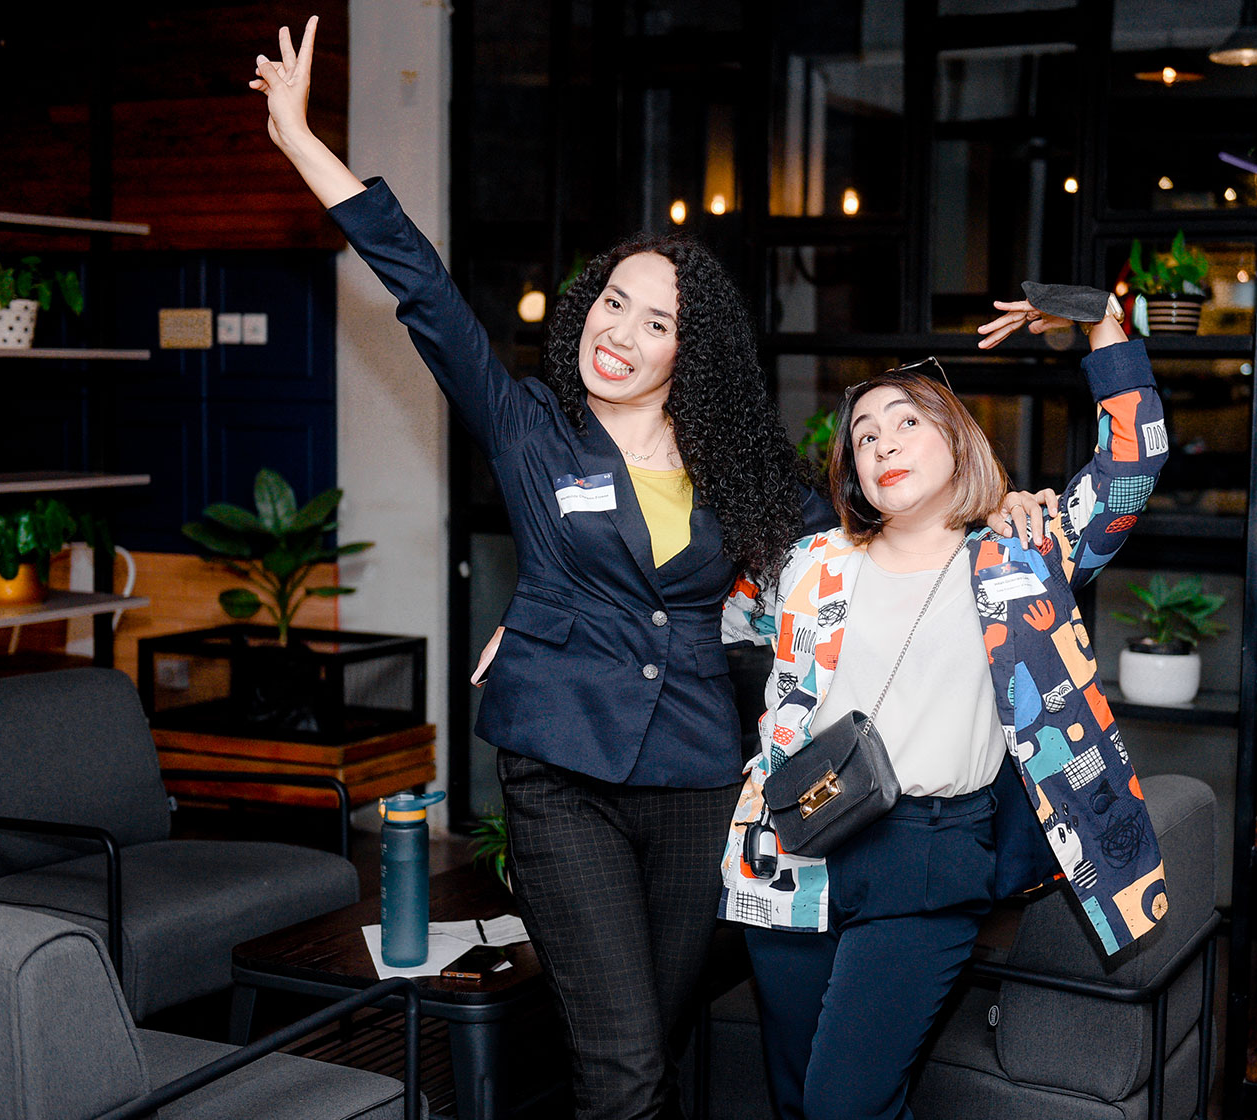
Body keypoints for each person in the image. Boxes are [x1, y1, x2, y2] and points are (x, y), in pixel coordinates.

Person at [248, 19, 1045, 1119]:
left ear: (690, 352)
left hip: (695, 783)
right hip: (561, 775)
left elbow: (884, 520)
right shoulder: (532, 430)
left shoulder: (743, 474)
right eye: (611, 300)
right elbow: (424, 291)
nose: (620, 329)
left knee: (649, 1045)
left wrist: (1006, 503)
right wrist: (300, 138)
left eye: (655, 318)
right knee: (623, 1070)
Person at [717, 290, 1173, 1120]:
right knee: (793, 1097)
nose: (883, 443)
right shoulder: (806, 561)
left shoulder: (1019, 551)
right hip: (792, 847)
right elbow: (692, 614)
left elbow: (1130, 471)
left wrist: (1100, 325)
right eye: (864, 436)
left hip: (926, 858)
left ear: (955, 436)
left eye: (905, 423)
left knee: (842, 1104)